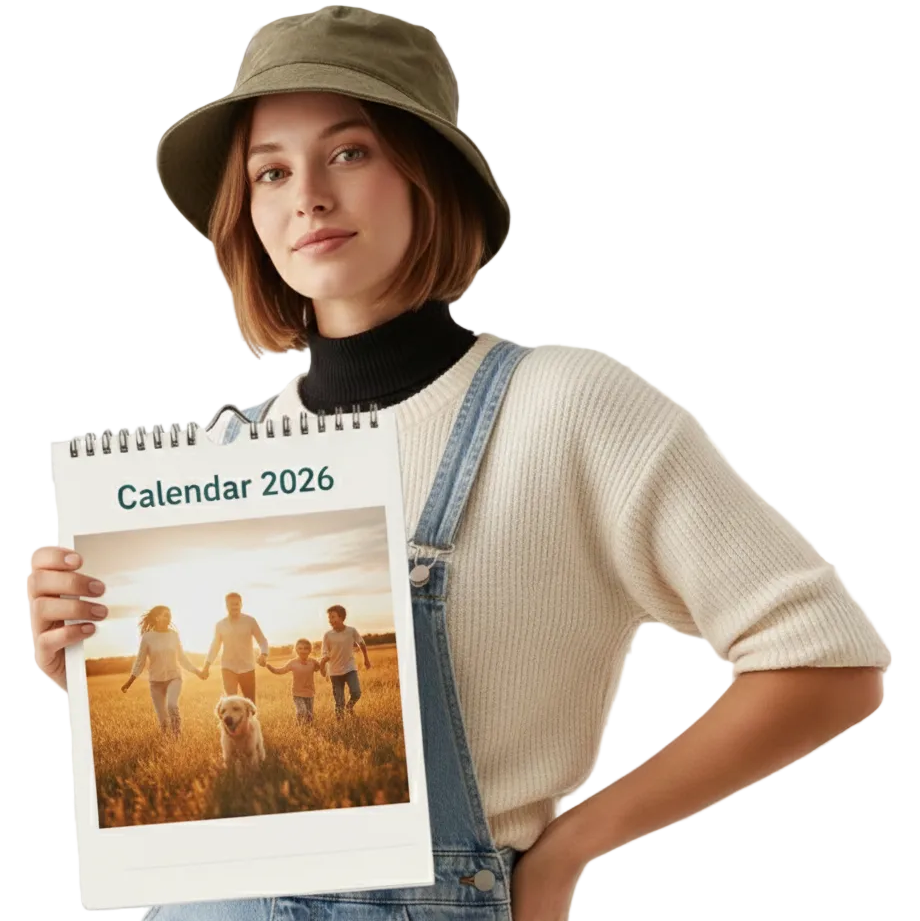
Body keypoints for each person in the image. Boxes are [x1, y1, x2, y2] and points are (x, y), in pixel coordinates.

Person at [26, 8, 891, 921]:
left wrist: (568, 852)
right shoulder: (227, 454)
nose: (307, 196)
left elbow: (824, 661)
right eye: (270, 171)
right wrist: (77, 662)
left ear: (426, 172)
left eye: (349, 153)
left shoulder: (565, 408)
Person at [120, 605, 205, 737]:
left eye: (169, 615)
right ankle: (166, 740)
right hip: (156, 682)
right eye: (165, 614)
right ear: (157, 617)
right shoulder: (147, 637)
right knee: (163, 720)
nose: (168, 617)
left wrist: (197, 671)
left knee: (171, 705)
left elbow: (182, 658)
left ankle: (177, 736)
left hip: (174, 677)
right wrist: (129, 681)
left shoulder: (174, 635)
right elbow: (140, 661)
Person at [201, 592, 270, 704]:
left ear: (241, 605)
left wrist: (264, 654)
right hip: (228, 667)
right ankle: (232, 722)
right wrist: (206, 666)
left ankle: (250, 722)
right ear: (226, 606)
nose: (234, 607)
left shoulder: (250, 621)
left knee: (250, 703)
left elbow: (262, 640)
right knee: (231, 703)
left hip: (248, 667)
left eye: (237, 604)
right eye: (231, 604)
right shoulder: (220, 625)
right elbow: (215, 647)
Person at [320, 605, 371, 719]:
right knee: (339, 701)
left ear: (341, 617)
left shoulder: (351, 631)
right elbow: (324, 652)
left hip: (349, 668)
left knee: (356, 692)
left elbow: (361, 644)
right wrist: (324, 662)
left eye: (333, 617)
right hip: (334, 671)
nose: (330, 620)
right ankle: (341, 724)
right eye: (329, 618)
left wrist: (366, 659)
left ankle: (349, 707)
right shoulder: (327, 635)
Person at [261, 637, 327, 725]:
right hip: (297, 693)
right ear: (296, 649)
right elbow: (279, 671)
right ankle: (299, 725)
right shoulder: (293, 663)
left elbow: (322, 672)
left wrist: (324, 662)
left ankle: (305, 730)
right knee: (302, 711)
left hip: (310, 693)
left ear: (310, 650)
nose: (303, 651)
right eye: (300, 648)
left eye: (305, 648)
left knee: (310, 716)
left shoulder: (313, 662)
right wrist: (267, 665)